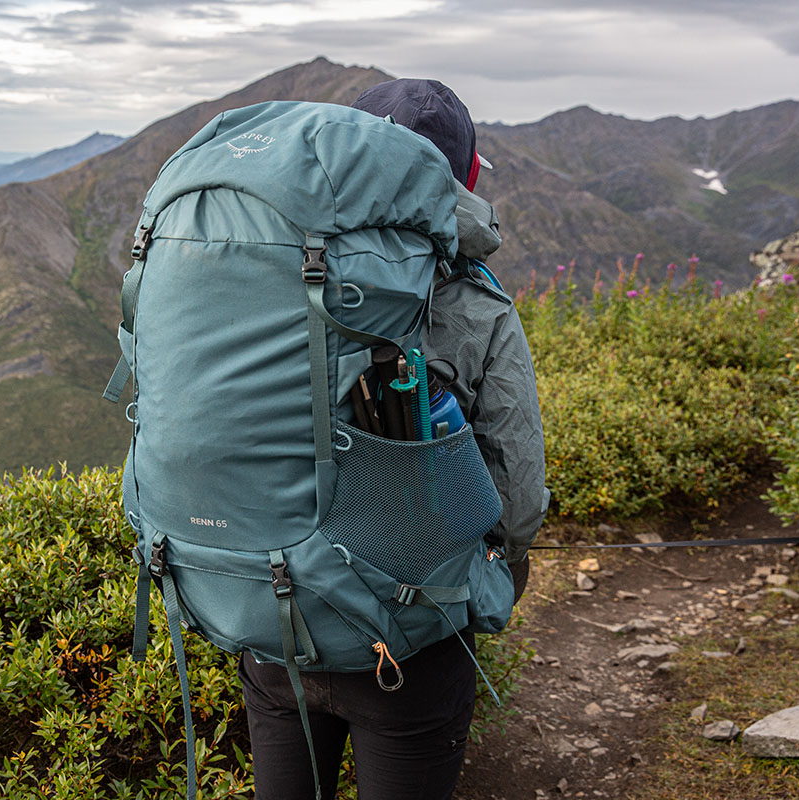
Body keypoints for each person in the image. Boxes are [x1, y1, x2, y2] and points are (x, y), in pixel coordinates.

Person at [238, 79, 550, 800]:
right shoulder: (474, 304)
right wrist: (500, 573)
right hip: (412, 642)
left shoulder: (270, 279)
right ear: (466, 181)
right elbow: (517, 500)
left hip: (273, 622)